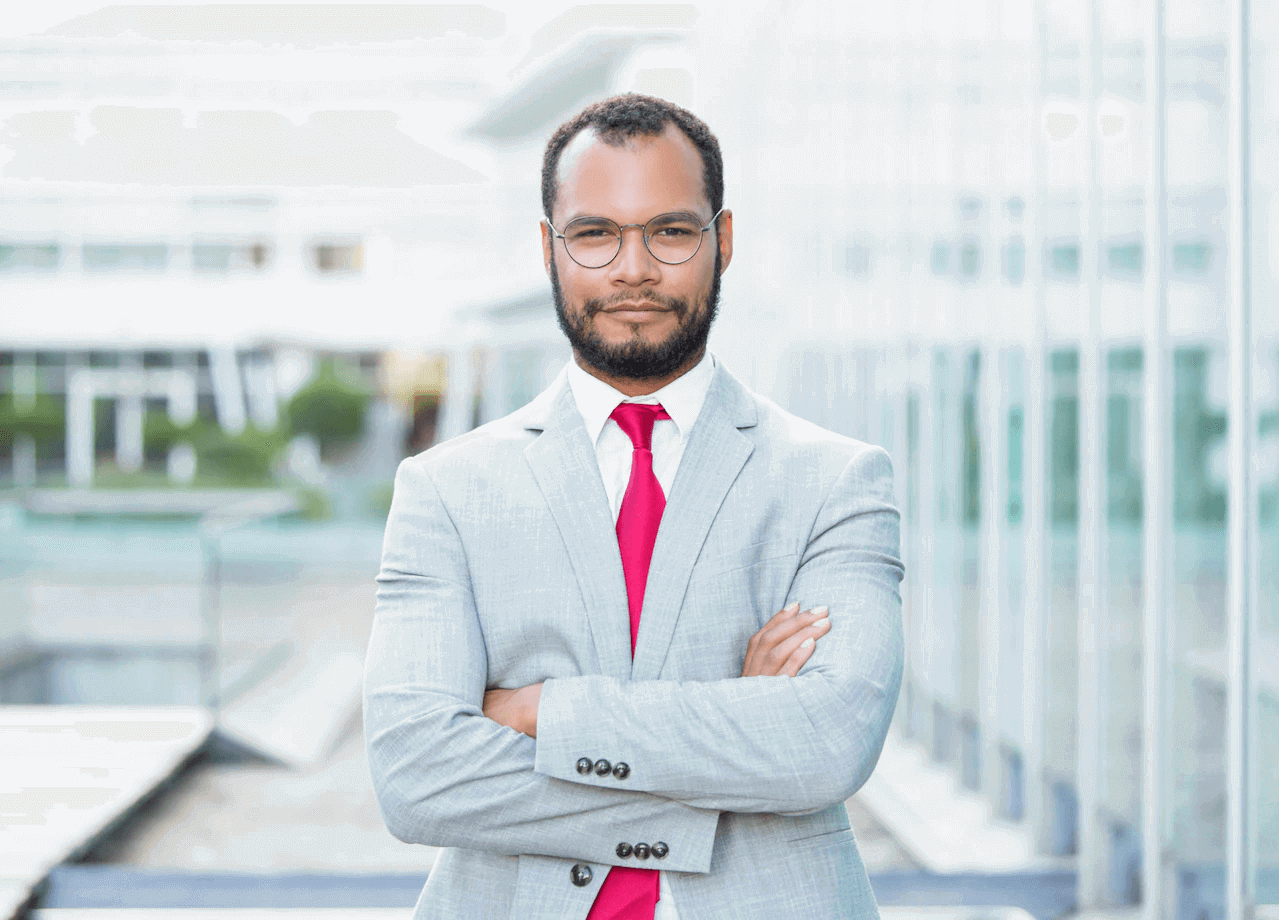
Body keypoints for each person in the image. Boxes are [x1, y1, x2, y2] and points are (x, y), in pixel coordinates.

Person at [363, 93, 904, 920]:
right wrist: (732, 738)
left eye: (670, 231)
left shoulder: (835, 481)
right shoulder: (446, 492)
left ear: (721, 241)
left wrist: (542, 712)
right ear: (549, 250)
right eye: (595, 234)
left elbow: (824, 746)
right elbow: (416, 776)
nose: (633, 269)